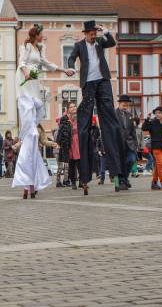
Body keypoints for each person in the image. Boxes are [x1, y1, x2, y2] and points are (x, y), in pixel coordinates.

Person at [15, 24, 76, 199]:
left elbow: (47, 64)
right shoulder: (26, 46)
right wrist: (26, 73)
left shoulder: (38, 48)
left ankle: (32, 182)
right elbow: (22, 63)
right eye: (42, 33)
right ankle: (28, 181)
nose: (44, 36)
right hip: (26, 83)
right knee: (31, 133)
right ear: (37, 34)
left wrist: (64, 69)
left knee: (36, 122)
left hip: (34, 83)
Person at [67, 20, 118, 195]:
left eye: (95, 33)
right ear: (85, 33)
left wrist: (106, 32)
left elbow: (112, 43)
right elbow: (71, 57)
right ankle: (85, 177)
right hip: (88, 83)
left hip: (102, 80)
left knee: (109, 116)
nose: (93, 35)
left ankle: (117, 174)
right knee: (85, 118)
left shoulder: (100, 42)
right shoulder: (79, 45)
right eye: (91, 33)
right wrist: (71, 67)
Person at [142, 106, 162, 190]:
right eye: (156, 113)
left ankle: (154, 182)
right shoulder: (152, 122)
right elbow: (144, 128)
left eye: (159, 113)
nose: (157, 114)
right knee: (160, 163)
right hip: (155, 146)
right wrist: (147, 118)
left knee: (158, 165)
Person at [117, 95, 138, 190]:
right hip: (119, 143)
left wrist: (136, 144)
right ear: (119, 103)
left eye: (127, 104)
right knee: (121, 163)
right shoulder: (114, 114)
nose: (125, 106)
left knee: (131, 160)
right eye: (124, 104)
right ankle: (123, 180)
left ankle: (125, 178)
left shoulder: (130, 115)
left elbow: (133, 131)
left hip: (130, 143)